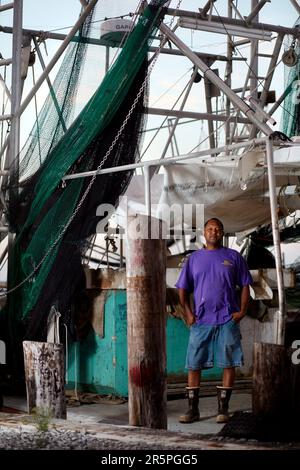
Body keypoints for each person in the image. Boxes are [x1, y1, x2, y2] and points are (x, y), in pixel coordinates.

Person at [175, 218, 252, 424]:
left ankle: (223, 409)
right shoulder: (194, 259)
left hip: (228, 318)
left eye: (218, 229)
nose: (214, 232)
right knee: (194, 363)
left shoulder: (233, 257)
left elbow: (245, 285)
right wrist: (188, 314)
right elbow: (182, 289)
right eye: (210, 229)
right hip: (201, 320)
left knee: (229, 362)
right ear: (204, 232)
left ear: (222, 233)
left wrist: (242, 311)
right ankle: (193, 410)